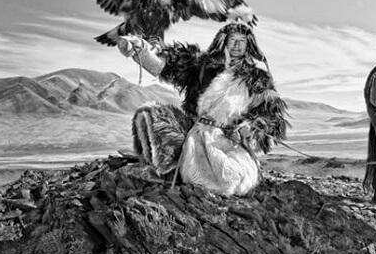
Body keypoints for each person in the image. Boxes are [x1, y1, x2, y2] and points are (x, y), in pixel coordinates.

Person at [117, 22, 288, 195]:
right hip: (195, 131)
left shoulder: (257, 79)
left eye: (241, 41)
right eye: (233, 40)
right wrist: (141, 50)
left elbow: (272, 117)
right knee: (149, 113)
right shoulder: (201, 66)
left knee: (232, 178)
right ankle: (164, 169)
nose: (237, 45)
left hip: (230, 141)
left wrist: (251, 128)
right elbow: (164, 66)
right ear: (223, 42)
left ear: (248, 44)